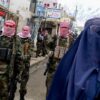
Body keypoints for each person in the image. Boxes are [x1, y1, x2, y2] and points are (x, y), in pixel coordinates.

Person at [46, 18, 100, 100]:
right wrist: (49, 52)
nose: (63, 30)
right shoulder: (55, 39)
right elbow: (47, 46)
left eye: (65, 28)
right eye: (62, 27)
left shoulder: (71, 40)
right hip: (53, 68)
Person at [0, 20, 22, 100]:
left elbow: (19, 58)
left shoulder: (16, 40)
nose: (8, 28)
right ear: (4, 25)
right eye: (7, 25)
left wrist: (19, 74)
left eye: (11, 26)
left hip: (7, 73)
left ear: (14, 28)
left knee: (4, 94)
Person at [9, 25, 33, 100]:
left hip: (25, 66)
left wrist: (25, 56)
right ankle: (11, 96)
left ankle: (22, 97)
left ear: (29, 31)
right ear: (22, 30)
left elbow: (30, 52)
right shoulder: (17, 38)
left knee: (23, 85)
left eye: (27, 30)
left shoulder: (30, 40)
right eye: (24, 30)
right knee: (13, 84)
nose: (25, 31)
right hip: (16, 65)